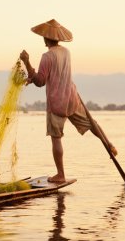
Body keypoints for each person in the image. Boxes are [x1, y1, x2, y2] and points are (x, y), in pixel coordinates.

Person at [20, 19, 117, 183]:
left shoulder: (47, 56)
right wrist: (31, 77)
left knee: (56, 137)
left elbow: (40, 81)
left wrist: (26, 62)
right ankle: (109, 145)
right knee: (91, 122)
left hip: (57, 102)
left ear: (45, 38)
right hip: (72, 97)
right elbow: (51, 75)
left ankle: (60, 174)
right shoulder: (66, 52)